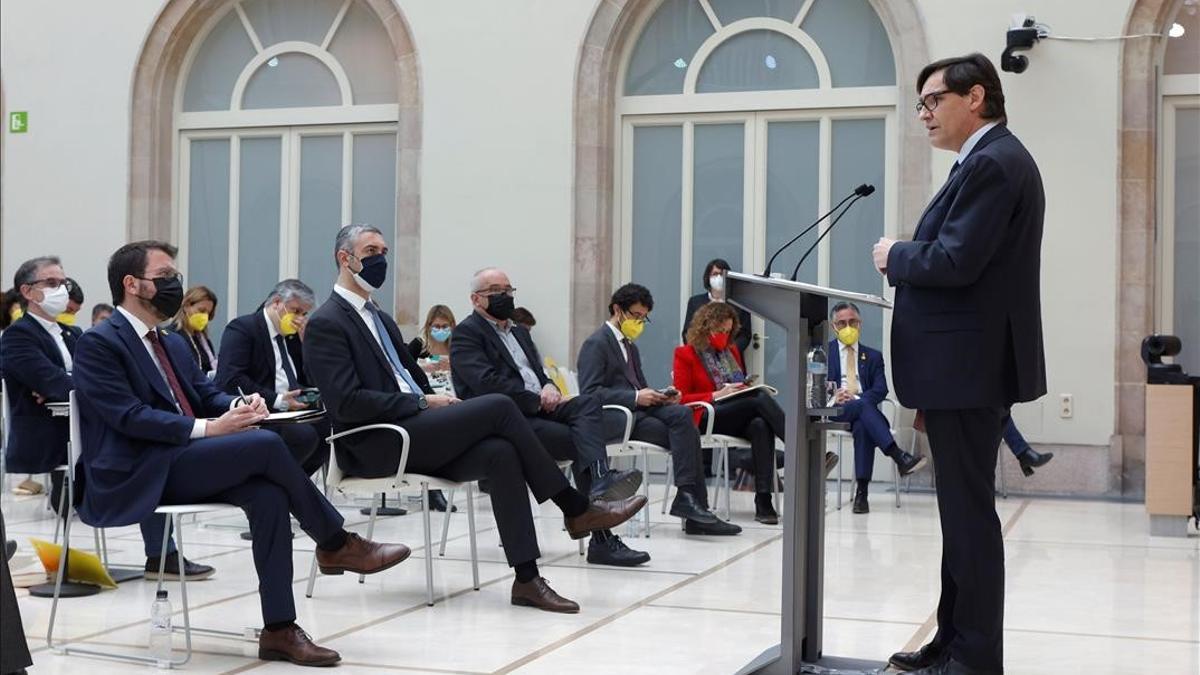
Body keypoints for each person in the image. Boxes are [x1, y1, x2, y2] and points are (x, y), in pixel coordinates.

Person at [73, 240, 411, 666]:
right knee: (266, 444)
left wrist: (239, 406)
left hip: (178, 459)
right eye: (166, 277)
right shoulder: (100, 342)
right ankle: (335, 541)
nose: (176, 284)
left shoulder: (173, 343)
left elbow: (204, 393)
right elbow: (128, 416)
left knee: (267, 496)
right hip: (134, 469)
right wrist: (210, 428)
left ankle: (279, 629)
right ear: (132, 284)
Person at [302, 224, 647, 612]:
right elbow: (346, 403)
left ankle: (527, 579)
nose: (381, 258)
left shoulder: (379, 319)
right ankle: (575, 507)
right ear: (344, 259)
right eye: (371, 250)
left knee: (501, 453)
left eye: (384, 249)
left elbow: (410, 379)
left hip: (415, 431)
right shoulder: (326, 322)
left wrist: (431, 399)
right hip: (377, 442)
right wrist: (420, 405)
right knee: (499, 405)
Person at [874, 54, 1046, 675]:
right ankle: (952, 641)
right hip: (960, 366)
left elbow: (955, 261)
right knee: (961, 518)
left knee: (970, 520)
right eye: (920, 104)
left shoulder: (995, 163)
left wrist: (897, 254)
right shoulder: (984, 160)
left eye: (931, 101)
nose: (923, 114)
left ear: (974, 98)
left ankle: (973, 659)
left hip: (967, 367)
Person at [451, 267, 648, 566]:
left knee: (587, 404)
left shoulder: (518, 331)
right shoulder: (467, 333)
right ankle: (600, 536)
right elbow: (486, 383)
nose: (505, 296)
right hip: (506, 418)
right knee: (576, 439)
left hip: (540, 406)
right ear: (476, 299)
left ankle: (598, 479)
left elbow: (539, 373)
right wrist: (536, 400)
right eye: (496, 291)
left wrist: (550, 387)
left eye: (508, 289)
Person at [578, 283, 740, 536]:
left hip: (639, 410)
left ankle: (688, 499)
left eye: (644, 318)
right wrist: (634, 396)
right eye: (635, 316)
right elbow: (589, 394)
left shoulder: (629, 345)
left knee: (683, 414)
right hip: (618, 417)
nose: (639, 322)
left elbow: (640, 386)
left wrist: (661, 395)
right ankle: (695, 508)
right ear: (617, 310)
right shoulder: (596, 343)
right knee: (687, 435)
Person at [674, 302, 837, 525]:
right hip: (705, 415)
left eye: (728, 331)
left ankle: (763, 501)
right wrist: (716, 394)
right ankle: (805, 452)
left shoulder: (731, 351)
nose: (724, 336)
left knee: (760, 424)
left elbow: (738, 382)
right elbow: (680, 399)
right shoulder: (685, 354)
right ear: (705, 327)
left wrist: (742, 387)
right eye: (719, 331)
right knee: (759, 399)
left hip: (733, 412)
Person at [214, 279, 329, 477]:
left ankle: (294, 484)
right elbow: (231, 380)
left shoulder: (291, 337)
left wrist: (307, 344)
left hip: (292, 409)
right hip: (263, 411)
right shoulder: (243, 328)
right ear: (276, 302)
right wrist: (278, 400)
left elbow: (310, 378)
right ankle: (281, 484)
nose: (299, 318)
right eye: (295, 311)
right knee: (304, 436)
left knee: (329, 431)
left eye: (304, 313)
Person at [826, 301, 927, 514]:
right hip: (837, 409)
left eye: (852, 322)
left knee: (863, 427)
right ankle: (899, 456)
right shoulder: (825, 353)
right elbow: (815, 385)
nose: (848, 327)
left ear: (860, 324)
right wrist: (833, 394)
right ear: (833, 326)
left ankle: (861, 495)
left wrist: (857, 398)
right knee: (864, 410)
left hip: (863, 410)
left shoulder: (872, 356)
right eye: (842, 323)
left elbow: (881, 390)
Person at [681, 258, 752, 355]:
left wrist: (729, 351)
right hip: (701, 357)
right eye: (715, 274)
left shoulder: (739, 304)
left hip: (730, 359)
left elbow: (745, 335)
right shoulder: (695, 302)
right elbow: (687, 332)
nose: (719, 277)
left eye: (722, 274)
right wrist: (700, 350)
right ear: (708, 277)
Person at [172, 285, 219, 377]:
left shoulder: (203, 340)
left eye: (208, 313)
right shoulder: (172, 336)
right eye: (201, 311)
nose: (205, 317)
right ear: (186, 306)